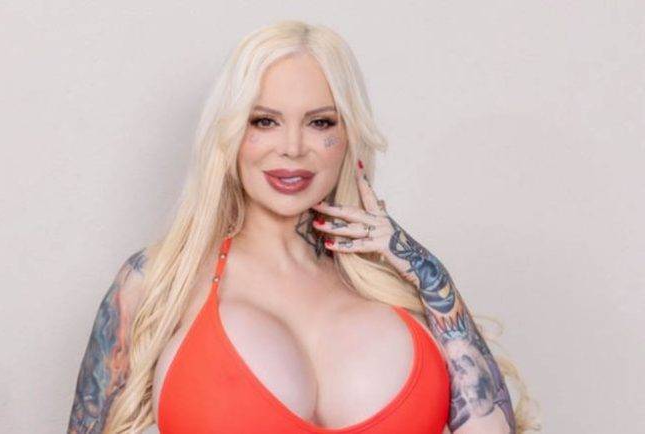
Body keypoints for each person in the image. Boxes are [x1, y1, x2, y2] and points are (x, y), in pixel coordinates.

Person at [67, 20, 538, 434]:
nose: (292, 147)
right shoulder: (160, 280)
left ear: (348, 135)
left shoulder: (394, 288)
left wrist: (430, 275)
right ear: (230, 135)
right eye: (264, 121)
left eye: (320, 123)